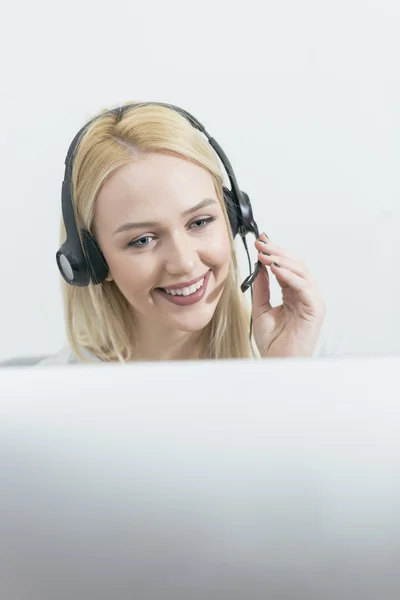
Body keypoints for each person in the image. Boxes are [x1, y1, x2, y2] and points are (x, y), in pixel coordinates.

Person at [38, 101, 336, 366]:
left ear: (233, 218)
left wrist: (284, 376)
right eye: (143, 240)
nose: (184, 263)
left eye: (200, 222)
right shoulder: (48, 398)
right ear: (92, 260)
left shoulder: (304, 356)